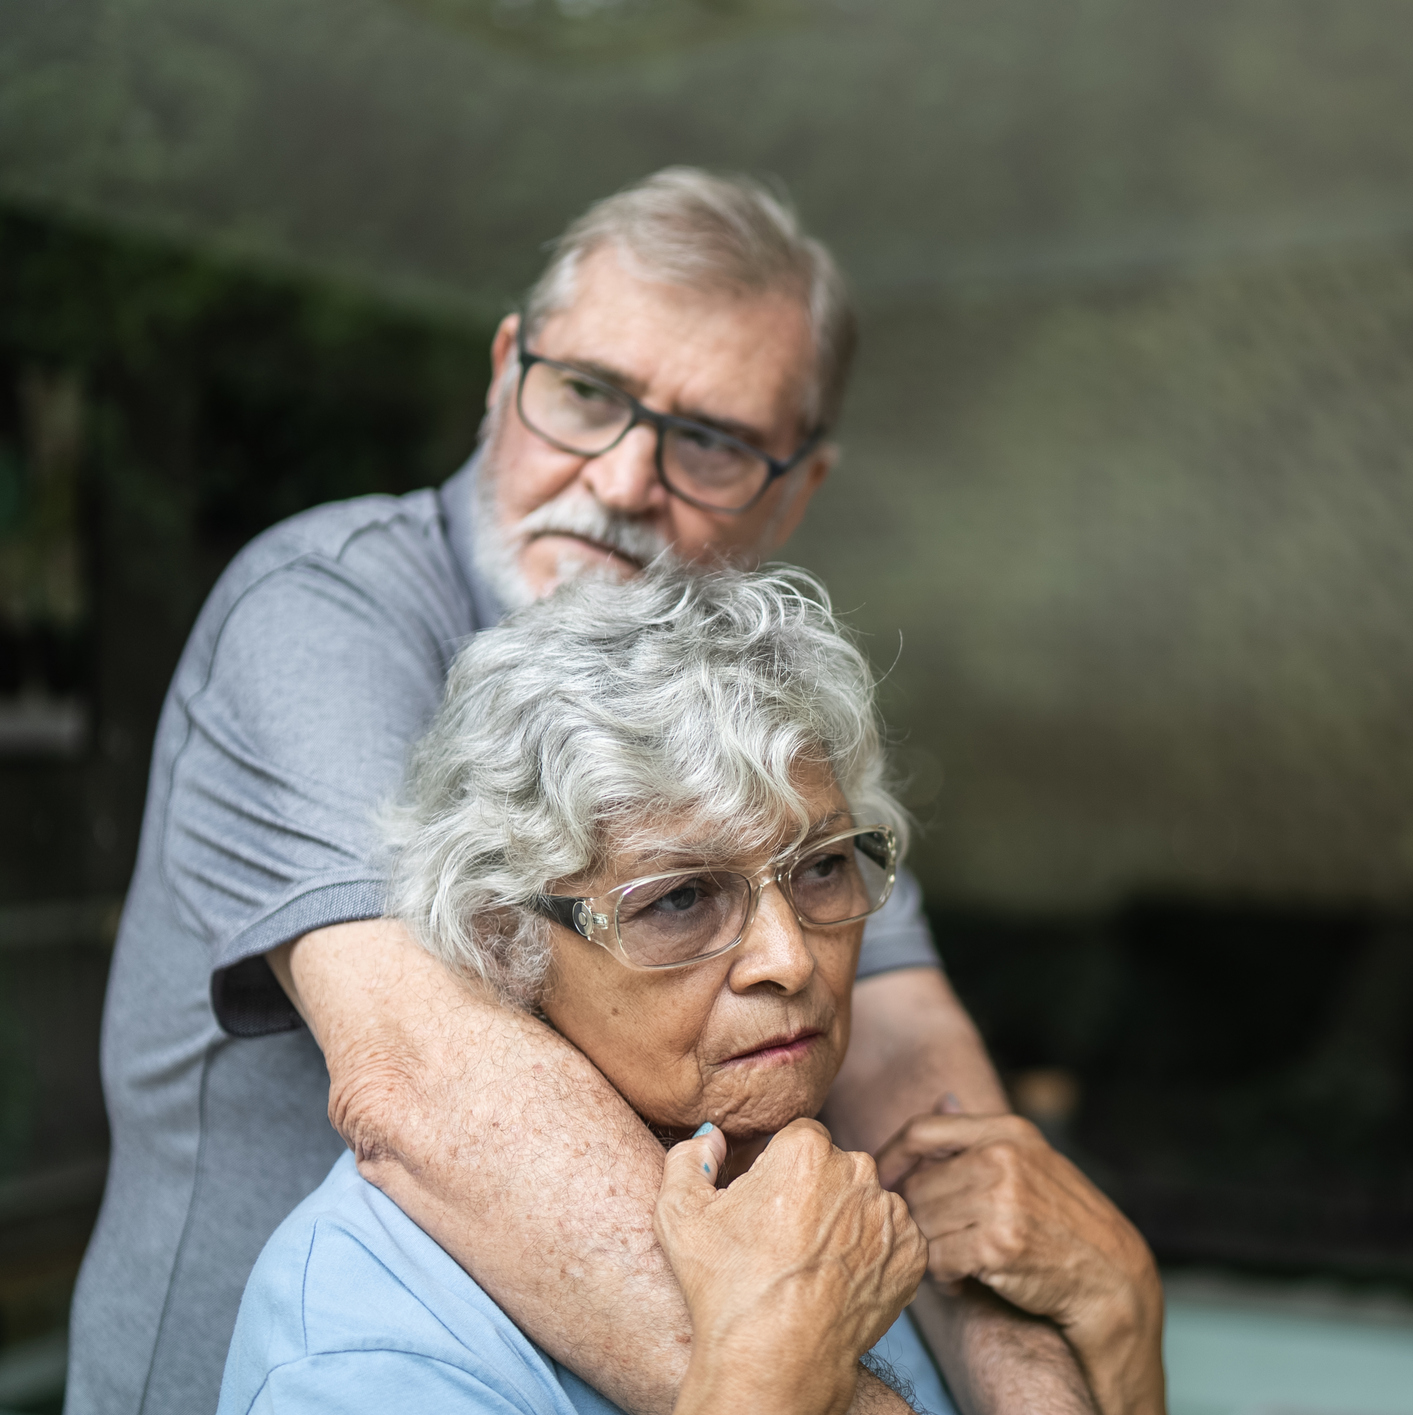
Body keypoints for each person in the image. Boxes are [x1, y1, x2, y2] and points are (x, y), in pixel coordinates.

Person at [71, 169, 1091, 1414]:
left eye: (709, 439)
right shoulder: (320, 612)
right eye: (588, 394)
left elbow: (937, 1116)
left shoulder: (747, 722)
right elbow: (431, 1085)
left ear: (798, 488)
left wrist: (1049, 1376)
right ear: (508, 370)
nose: (619, 480)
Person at [217, 566, 1164, 1415]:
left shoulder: (880, 1204)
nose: (788, 958)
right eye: (679, 898)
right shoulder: (369, 1337)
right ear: (504, 939)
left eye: (824, 866)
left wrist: (1125, 1327)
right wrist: (774, 1368)